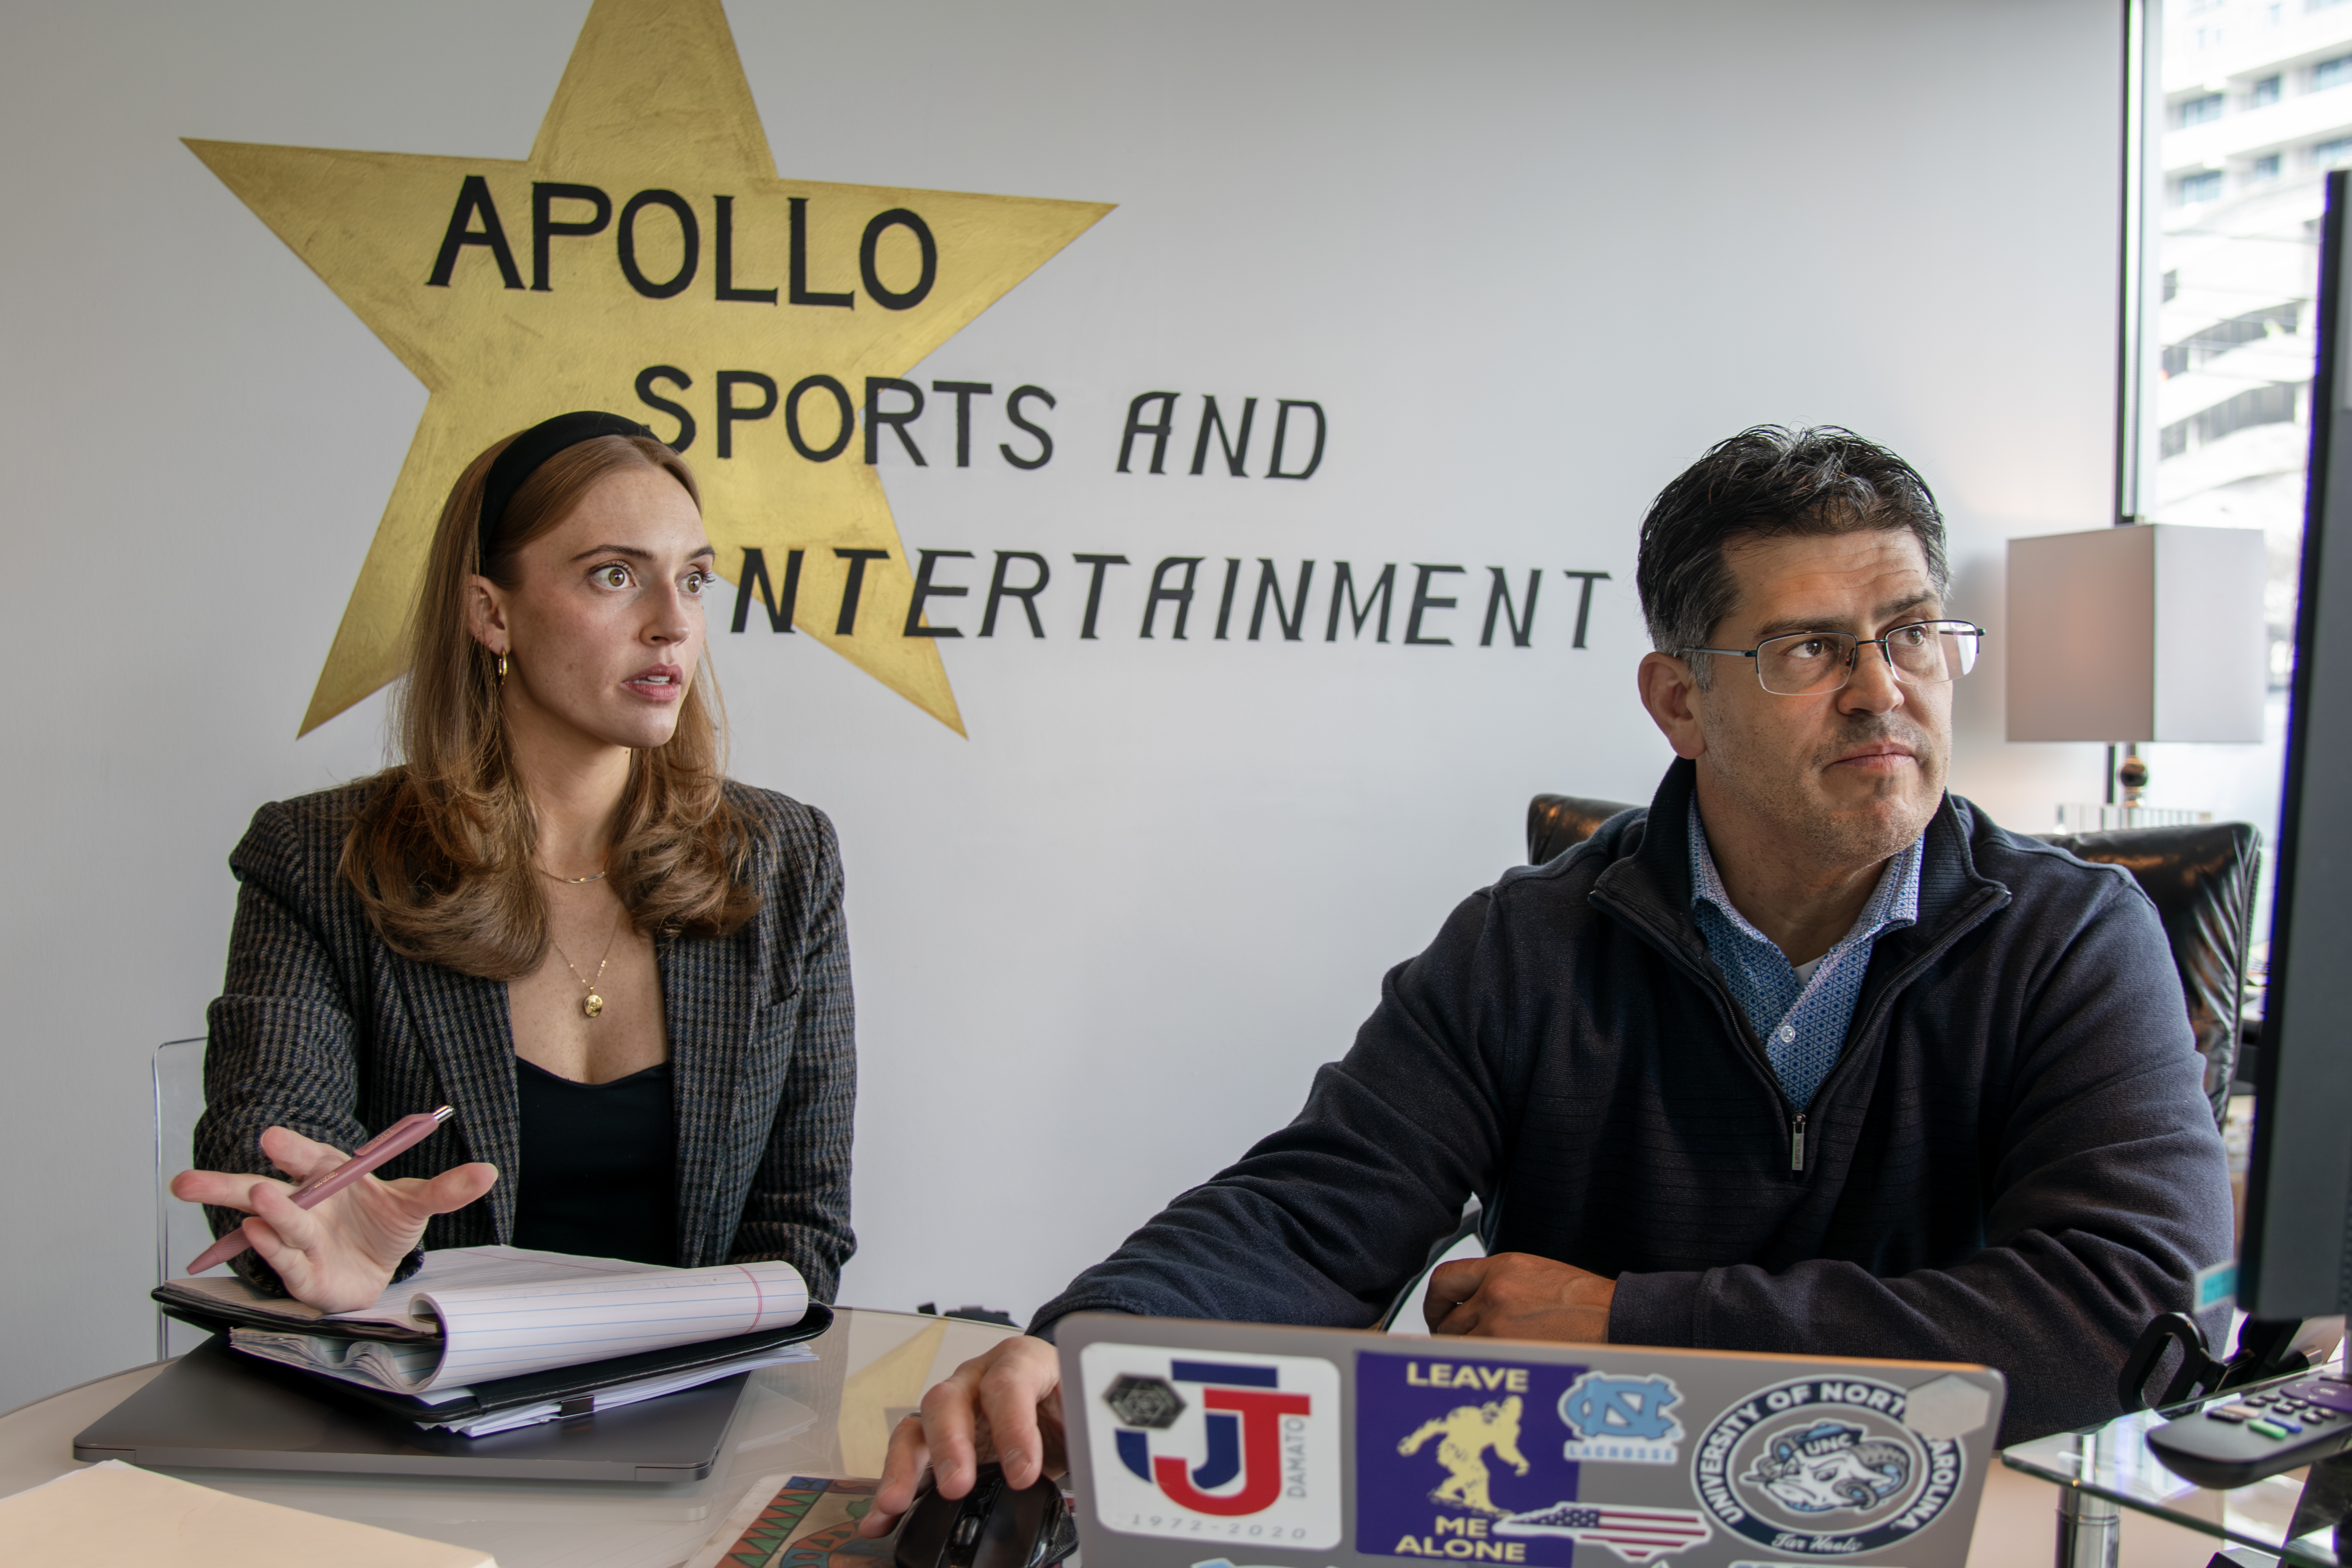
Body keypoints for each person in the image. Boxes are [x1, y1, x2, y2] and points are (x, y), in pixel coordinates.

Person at [858, 426, 2234, 1535]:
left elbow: (2125, 1313)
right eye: (1810, 649)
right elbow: (1315, 1213)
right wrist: (1091, 1347)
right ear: (1680, 701)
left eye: (1914, 632)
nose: (1884, 689)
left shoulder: (2071, 939)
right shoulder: (1528, 945)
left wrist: (1633, 1323)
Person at [172, 411, 855, 1314]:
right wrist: (334, 1242)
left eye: (693, 579)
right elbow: (270, 1154)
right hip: (412, 1415)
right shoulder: (319, 857)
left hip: (695, 1412)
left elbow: (802, 1229)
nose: (673, 624)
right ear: (492, 612)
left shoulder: (784, 858)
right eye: (615, 575)